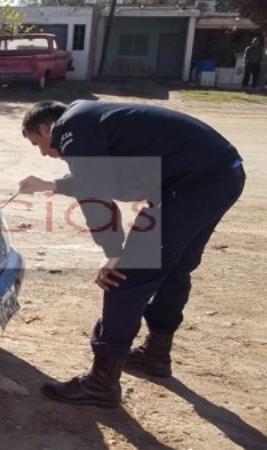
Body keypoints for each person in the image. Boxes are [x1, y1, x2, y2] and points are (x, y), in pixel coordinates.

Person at [18, 100, 245, 408]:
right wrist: (51, 184)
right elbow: (106, 178)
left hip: (192, 186)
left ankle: (101, 383)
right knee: (174, 268)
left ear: (47, 128)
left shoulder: (70, 126)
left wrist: (113, 251)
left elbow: (94, 189)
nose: (44, 152)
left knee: (124, 278)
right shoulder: (92, 118)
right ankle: (155, 356)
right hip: (219, 176)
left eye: (37, 143)